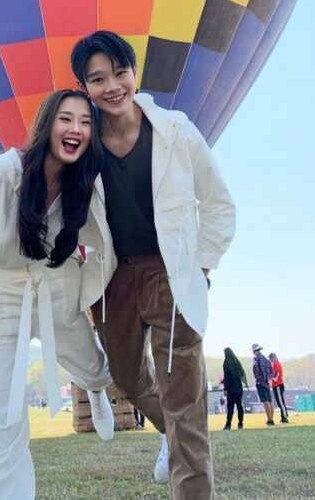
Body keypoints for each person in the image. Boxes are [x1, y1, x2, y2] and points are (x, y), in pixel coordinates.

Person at [71, 31, 236, 499]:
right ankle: (172, 431)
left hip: (172, 274)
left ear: (134, 72)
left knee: (185, 398)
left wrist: (201, 268)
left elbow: (218, 204)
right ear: (85, 87)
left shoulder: (177, 132)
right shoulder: (84, 145)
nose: (112, 86)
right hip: (113, 280)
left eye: (119, 73)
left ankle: (187, 462)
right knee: (126, 376)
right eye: (97, 79)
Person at [0, 89, 117, 500]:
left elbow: (104, 238)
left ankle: (95, 390)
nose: (76, 129)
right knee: (4, 420)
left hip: (55, 283)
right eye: (66, 119)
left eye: (86, 122)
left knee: (92, 365)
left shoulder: (84, 185)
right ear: (46, 124)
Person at [222, 347, 248, 430]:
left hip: (231, 389)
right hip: (239, 388)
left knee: (230, 407)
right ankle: (240, 423)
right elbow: (241, 374)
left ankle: (228, 425)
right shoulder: (237, 362)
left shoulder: (226, 363)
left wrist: (225, 388)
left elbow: (227, 377)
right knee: (239, 406)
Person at [251, 344, 275, 424]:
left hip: (260, 382)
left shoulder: (256, 358)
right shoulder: (267, 360)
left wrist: (258, 378)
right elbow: (272, 372)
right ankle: (271, 419)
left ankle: (270, 420)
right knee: (270, 401)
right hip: (267, 383)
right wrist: (268, 379)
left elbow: (255, 369)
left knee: (265, 401)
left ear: (254, 351)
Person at [269, 352, 289, 423]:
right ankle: (283, 416)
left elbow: (276, 378)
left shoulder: (276, 364)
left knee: (281, 402)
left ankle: (285, 418)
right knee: (279, 402)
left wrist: (269, 376)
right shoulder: (276, 364)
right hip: (276, 386)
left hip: (278, 385)